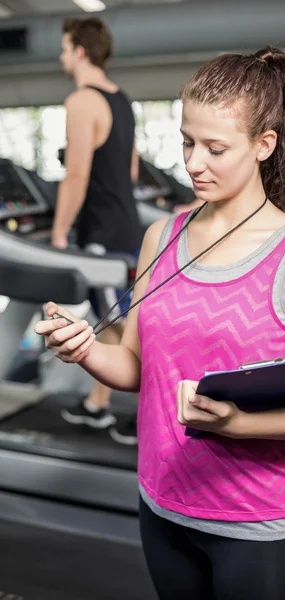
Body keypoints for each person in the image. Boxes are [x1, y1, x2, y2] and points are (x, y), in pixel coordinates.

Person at [35, 46, 285, 599]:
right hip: (162, 506)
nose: (193, 163)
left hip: (260, 523)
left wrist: (236, 424)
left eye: (216, 148)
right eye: (187, 142)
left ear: (264, 146)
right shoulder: (160, 237)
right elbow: (139, 366)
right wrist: (85, 350)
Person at [52, 17, 144, 444]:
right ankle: (97, 405)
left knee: (124, 327)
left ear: (80, 52)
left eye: (65, 48)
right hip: (126, 227)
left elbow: (77, 176)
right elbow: (131, 170)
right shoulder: (122, 100)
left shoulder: (81, 101)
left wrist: (58, 234)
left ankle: (170, 409)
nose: (60, 55)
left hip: (100, 234)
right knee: (110, 321)